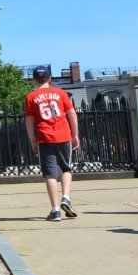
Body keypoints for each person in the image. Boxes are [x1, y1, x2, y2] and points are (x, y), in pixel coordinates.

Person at [24, 65, 79, 221]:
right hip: (63, 135)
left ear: (34, 80)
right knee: (66, 168)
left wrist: (33, 140)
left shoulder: (31, 97)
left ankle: (55, 210)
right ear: (50, 78)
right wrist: (75, 135)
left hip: (44, 138)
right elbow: (72, 114)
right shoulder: (61, 93)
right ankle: (66, 198)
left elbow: (29, 121)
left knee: (50, 174)